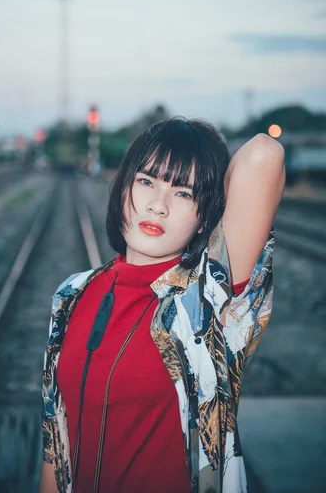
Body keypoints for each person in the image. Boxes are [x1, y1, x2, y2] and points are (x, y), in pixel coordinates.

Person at [39, 117, 285, 493]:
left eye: (184, 193)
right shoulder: (71, 296)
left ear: (205, 217)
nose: (158, 205)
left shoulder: (208, 300)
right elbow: (55, 449)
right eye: (146, 181)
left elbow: (264, 155)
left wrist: (211, 184)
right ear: (123, 186)